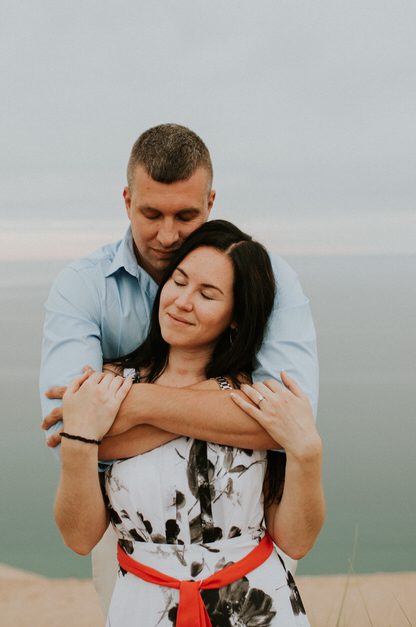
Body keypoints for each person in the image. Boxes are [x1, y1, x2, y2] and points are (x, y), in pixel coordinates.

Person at [40, 123, 319, 613]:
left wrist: (130, 398)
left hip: (248, 565)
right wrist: (229, 412)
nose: (167, 235)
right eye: (151, 213)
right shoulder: (81, 286)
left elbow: (286, 426)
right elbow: (73, 431)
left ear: (211, 203)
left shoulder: (265, 279)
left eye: (185, 215)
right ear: (126, 200)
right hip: (131, 546)